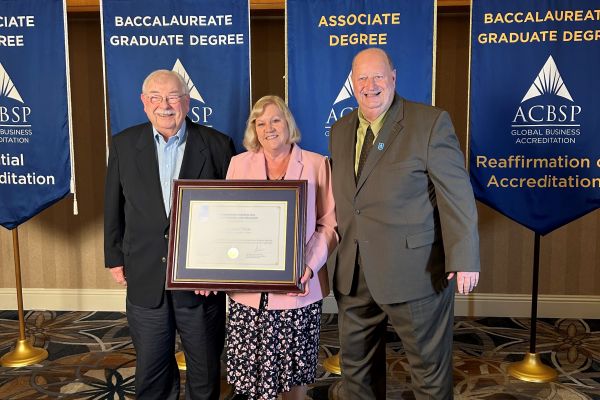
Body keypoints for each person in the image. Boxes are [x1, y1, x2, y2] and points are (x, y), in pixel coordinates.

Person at [328, 47, 480, 399]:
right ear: (352, 83)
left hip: (416, 273)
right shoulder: (339, 129)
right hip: (354, 274)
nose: (370, 85)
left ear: (394, 78)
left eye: (378, 76)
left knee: (428, 374)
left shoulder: (429, 123)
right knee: (356, 374)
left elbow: (456, 195)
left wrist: (465, 257)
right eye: (362, 78)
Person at [104, 69, 236, 400]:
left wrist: (220, 272)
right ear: (144, 103)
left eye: (173, 97)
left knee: (204, 371)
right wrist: (114, 257)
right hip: (145, 274)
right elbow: (113, 206)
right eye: (156, 98)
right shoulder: (123, 144)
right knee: (151, 371)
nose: (165, 106)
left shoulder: (218, 145)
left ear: (187, 101)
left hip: (201, 283)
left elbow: (232, 214)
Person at [225, 95, 338, 400]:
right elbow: (229, 223)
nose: (268, 128)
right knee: (252, 379)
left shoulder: (316, 164)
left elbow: (329, 224)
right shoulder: (238, 164)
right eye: (260, 122)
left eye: (275, 120)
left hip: (298, 288)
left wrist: (309, 264)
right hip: (250, 293)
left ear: (288, 124)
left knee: (294, 377)